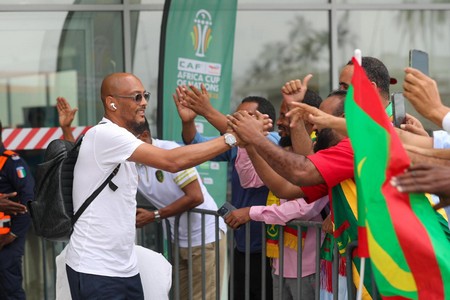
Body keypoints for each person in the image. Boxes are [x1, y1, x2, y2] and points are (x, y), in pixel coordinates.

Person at [64, 73, 241, 300]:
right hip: (96, 268)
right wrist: (232, 138)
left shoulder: (121, 142)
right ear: (112, 103)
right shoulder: (106, 134)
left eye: (145, 95)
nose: (144, 102)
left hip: (123, 268)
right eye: (137, 97)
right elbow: (173, 161)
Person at [174, 84, 278, 300]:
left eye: (245, 117)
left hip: (271, 249)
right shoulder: (236, 146)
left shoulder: (273, 143)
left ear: (264, 120)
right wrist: (189, 121)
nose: (236, 122)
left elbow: (250, 137)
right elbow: (196, 143)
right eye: (235, 117)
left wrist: (207, 110)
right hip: (242, 244)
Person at [226, 79, 328, 300]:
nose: (279, 122)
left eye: (286, 115)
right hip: (280, 263)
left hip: (309, 267)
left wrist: (251, 212)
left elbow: (303, 208)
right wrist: (248, 144)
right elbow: (251, 179)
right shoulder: (282, 151)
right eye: (281, 115)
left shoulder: (322, 156)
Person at [134, 118, 227, 300]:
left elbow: (195, 196)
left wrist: (154, 216)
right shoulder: (130, 160)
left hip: (205, 238)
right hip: (179, 240)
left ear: (144, 136)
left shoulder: (170, 151)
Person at [0, 121, 35, 300]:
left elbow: (27, 199)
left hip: (7, 240)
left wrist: (13, 234)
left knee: (9, 288)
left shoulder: (11, 162)